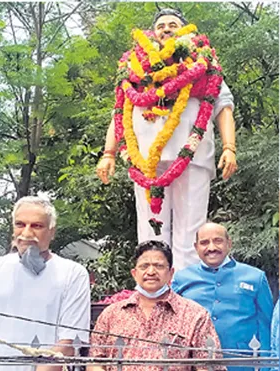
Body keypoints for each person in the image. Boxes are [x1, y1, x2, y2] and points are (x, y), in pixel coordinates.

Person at [96, 8, 237, 271]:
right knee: (150, 232)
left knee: (191, 230)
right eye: (161, 25)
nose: (166, 29)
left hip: (192, 156)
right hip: (145, 160)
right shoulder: (133, 70)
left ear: (185, 31)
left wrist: (229, 148)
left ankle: (186, 294)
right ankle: (152, 293)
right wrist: (109, 153)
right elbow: (118, 114)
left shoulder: (204, 65)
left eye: (173, 24)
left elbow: (223, 107)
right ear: (153, 32)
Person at [0, 196, 91, 371]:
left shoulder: (73, 274)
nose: (27, 233)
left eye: (37, 226)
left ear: (52, 231)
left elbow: (68, 344)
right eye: (20, 224)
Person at [88, 240, 224, 371]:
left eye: (158, 266)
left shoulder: (195, 315)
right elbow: (95, 361)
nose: (151, 272)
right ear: (134, 274)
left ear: (171, 273)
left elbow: (208, 366)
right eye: (144, 266)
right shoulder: (111, 314)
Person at [172, 222, 274, 370]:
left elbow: (266, 326)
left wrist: (267, 367)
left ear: (229, 243)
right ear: (196, 247)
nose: (211, 248)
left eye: (218, 241)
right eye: (204, 243)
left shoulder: (255, 277)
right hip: (195, 363)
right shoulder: (182, 278)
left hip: (240, 363)